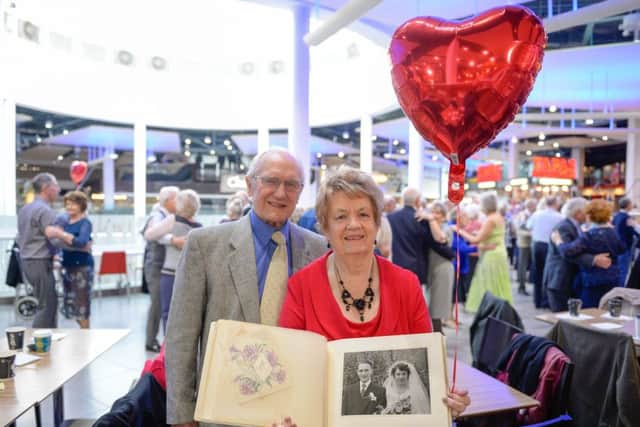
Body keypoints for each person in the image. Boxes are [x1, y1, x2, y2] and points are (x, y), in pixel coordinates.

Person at [278, 166, 470, 421]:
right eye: (341, 216)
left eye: (363, 214)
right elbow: (288, 372)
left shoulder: (406, 284)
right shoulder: (301, 287)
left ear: (377, 222)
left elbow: (428, 369)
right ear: (324, 226)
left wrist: (445, 399)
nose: (354, 225)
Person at [165, 148, 327, 427]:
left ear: (300, 192)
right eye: (271, 181)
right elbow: (181, 336)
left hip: (294, 412)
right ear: (250, 185)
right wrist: (182, 414)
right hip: (224, 410)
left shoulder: (317, 247)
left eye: (291, 185)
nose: (280, 193)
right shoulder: (205, 245)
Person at [387, 188, 454, 331]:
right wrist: (451, 253)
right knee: (415, 310)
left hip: (395, 267)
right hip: (416, 270)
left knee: (397, 308)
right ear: (418, 201)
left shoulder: (390, 218)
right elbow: (438, 243)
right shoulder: (420, 220)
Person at [144, 189, 202, 331]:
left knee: (167, 313)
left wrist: (172, 240)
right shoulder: (199, 226)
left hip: (170, 273)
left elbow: (149, 235)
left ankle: (168, 349)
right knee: (186, 315)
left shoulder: (172, 220)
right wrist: (173, 240)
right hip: (189, 275)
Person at [551, 199, 626, 308]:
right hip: (613, 279)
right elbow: (622, 248)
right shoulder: (613, 233)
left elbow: (568, 251)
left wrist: (558, 241)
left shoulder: (589, 235)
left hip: (593, 282)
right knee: (607, 310)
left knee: (591, 312)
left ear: (590, 216)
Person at [16, 173, 61, 328]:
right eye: (55, 186)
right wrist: (73, 241)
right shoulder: (44, 211)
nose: (58, 189)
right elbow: (52, 237)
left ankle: (50, 342)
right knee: (46, 306)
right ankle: (37, 343)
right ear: (46, 188)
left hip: (28, 262)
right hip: (40, 261)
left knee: (50, 302)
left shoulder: (25, 209)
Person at [456, 193, 512, 313]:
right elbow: (490, 236)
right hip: (498, 252)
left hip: (492, 255)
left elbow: (475, 241)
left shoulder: (490, 220)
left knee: (489, 282)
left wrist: (459, 231)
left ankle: (491, 308)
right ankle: (499, 308)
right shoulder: (499, 217)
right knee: (498, 281)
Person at [45, 191, 94, 329]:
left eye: (73, 204)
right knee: (71, 304)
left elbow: (82, 242)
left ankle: (86, 335)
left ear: (81, 205)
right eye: (67, 204)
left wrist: (62, 236)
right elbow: (55, 241)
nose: (69, 207)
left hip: (82, 267)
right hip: (67, 266)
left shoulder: (85, 222)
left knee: (82, 305)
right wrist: (68, 239)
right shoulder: (65, 222)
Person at [142, 186, 179, 352]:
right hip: (155, 266)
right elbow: (152, 235)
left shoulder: (164, 215)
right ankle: (150, 341)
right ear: (168, 200)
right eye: (176, 199)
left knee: (160, 304)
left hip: (161, 266)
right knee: (157, 304)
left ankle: (155, 339)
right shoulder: (158, 216)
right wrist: (173, 240)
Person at [526, 196, 563, 308]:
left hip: (537, 245)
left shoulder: (537, 214)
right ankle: (546, 300)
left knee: (538, 273)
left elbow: (528, 226)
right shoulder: (559, 216)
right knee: (548, 274)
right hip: (550, 246)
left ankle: (537, 301)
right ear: (556, 204)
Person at [612, 197, 640, 285]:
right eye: (631, 204)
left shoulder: (616, 216)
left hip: (616, 246)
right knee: (623, 270)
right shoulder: (627, 218)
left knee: (618, 269)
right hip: (625, 247)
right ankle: (620, 289)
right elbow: (634, 230)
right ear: (628, 205)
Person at [515, 199, 537, 296]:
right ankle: (521, 286)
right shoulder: (522, 215)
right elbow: (518, 230)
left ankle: (528, 283)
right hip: (523, 243)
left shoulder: (534, 215)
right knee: (522, 265)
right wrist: (531, 234)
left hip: (532, 243)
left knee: (531, 264)